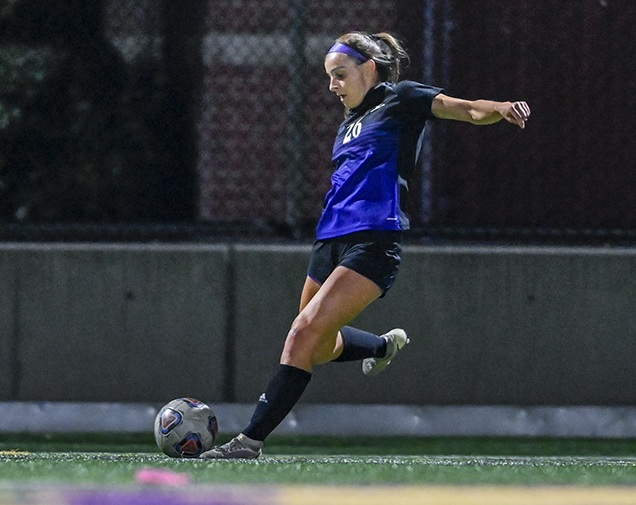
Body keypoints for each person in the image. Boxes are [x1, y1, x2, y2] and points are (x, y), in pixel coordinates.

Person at [199, 31, 531, 459]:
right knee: (316, 345)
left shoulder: (402, 99)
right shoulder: (348, 124)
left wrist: (500, 109)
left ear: (369, 69)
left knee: (300, 334)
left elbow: (464, 109)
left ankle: (248, 442)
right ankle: (381, 346)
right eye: (329, 77)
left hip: (373, 240)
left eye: (340, 75)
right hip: (329, 241)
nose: (332, 85)